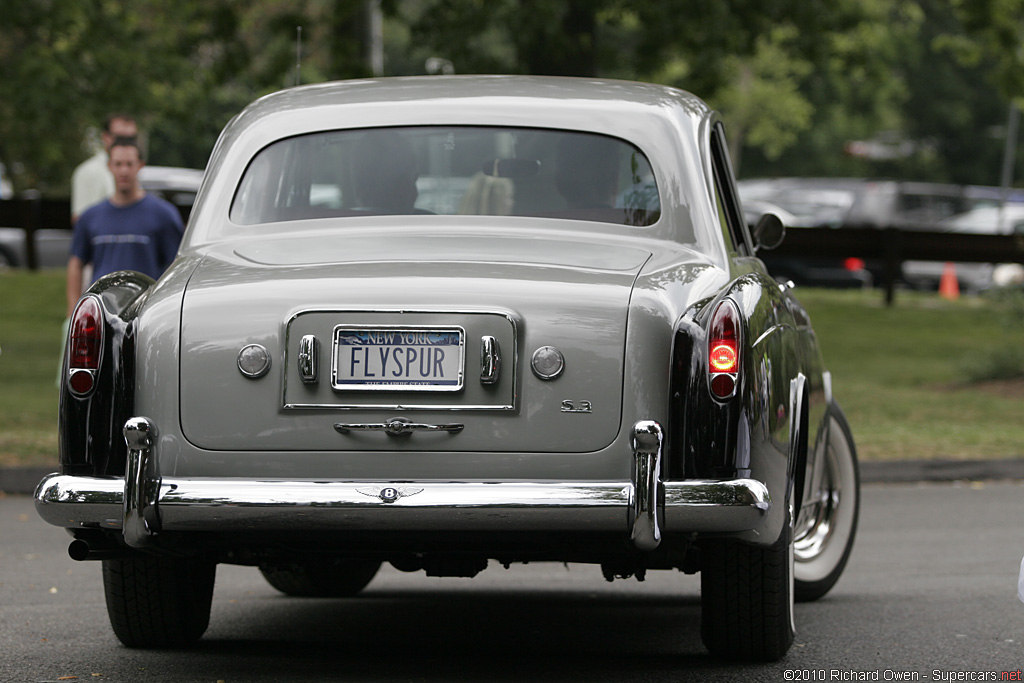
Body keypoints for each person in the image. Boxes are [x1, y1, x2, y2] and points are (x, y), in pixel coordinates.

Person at [66, 137, 183, 316]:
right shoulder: (90, 217)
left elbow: (177, 266)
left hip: (147, 313)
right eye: (118, 164)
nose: (124, 170)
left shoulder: (163, 215)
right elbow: (76, 263)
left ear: (140, 166)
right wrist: (73, 310)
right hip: (101, 315)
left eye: (129, 164)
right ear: (109, 166)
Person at [70, 113, 138, 224]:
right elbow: (81, 221)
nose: (126, 143)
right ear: (105, 137)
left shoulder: (136, 169)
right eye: (120, 137)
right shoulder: (89, 171)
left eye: (131, 138)